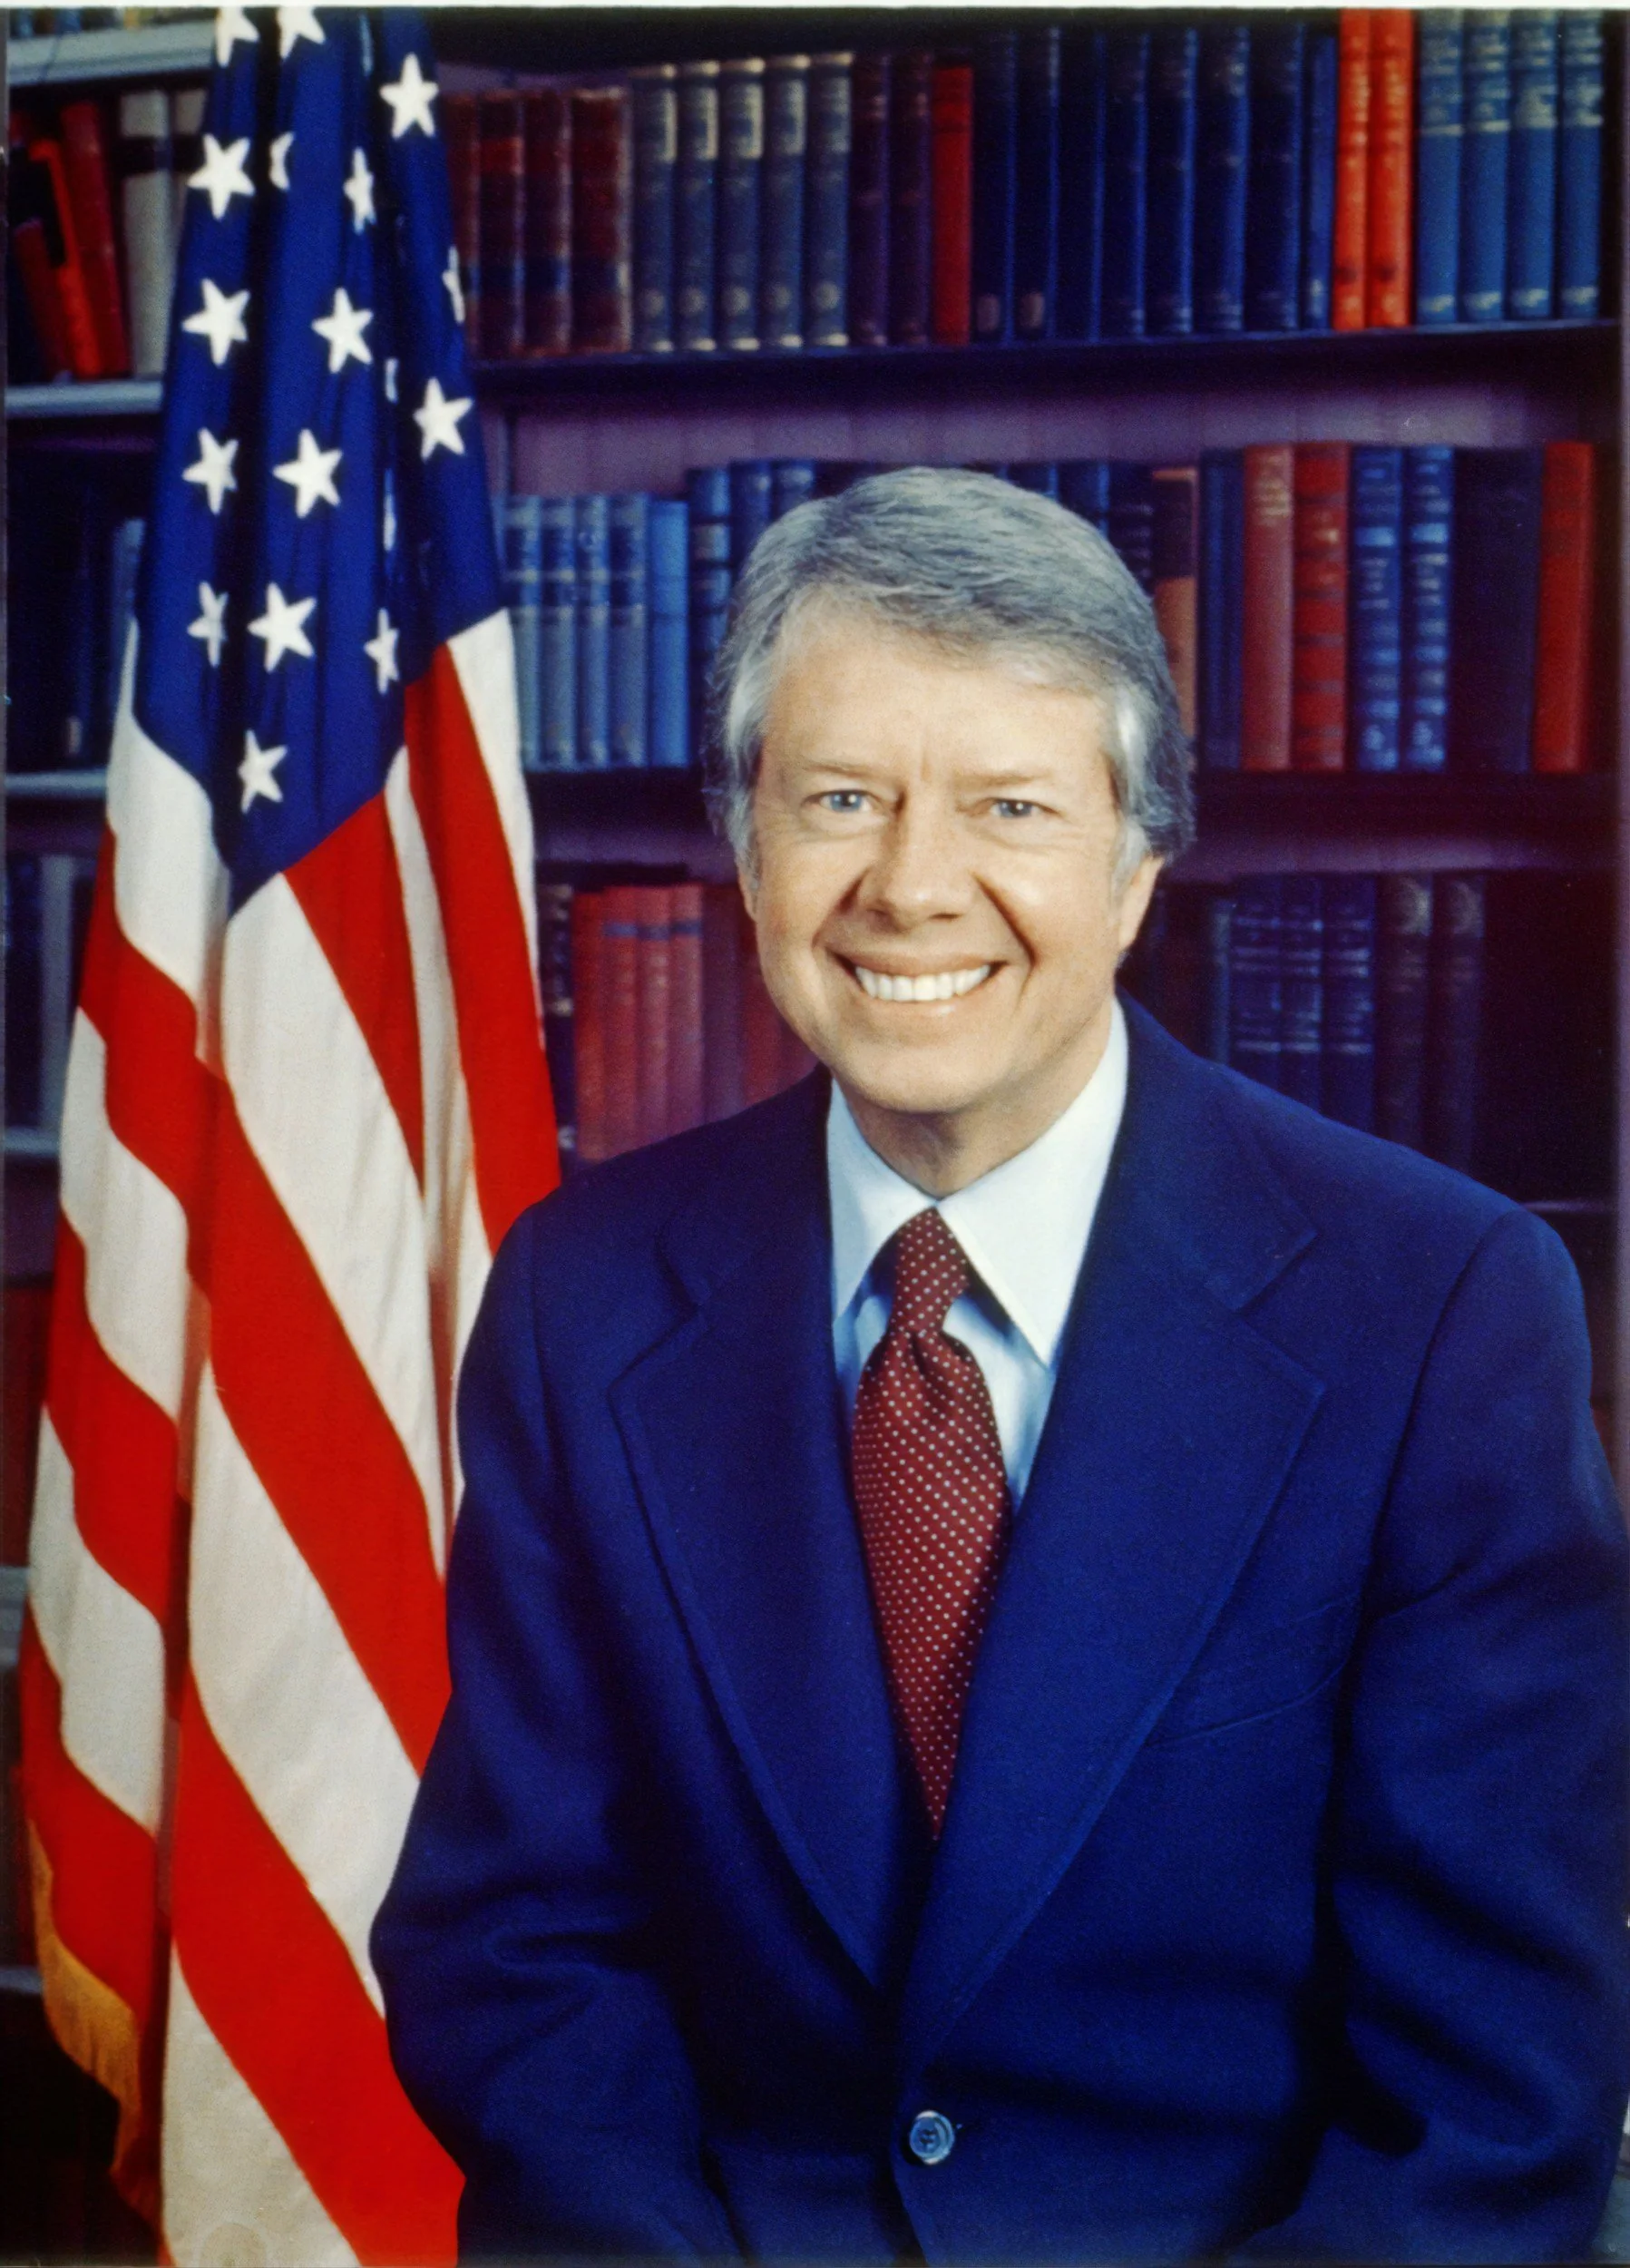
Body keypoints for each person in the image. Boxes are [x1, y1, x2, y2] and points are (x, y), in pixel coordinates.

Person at [373, 468, 1630, 2263]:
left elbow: (1493, 2101)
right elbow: (517, 1951)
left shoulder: (1436, 1307)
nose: (909, 884)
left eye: (1010, 805)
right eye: (839, 799)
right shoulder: (584, 1296)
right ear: (745, 850)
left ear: (1135, 861)